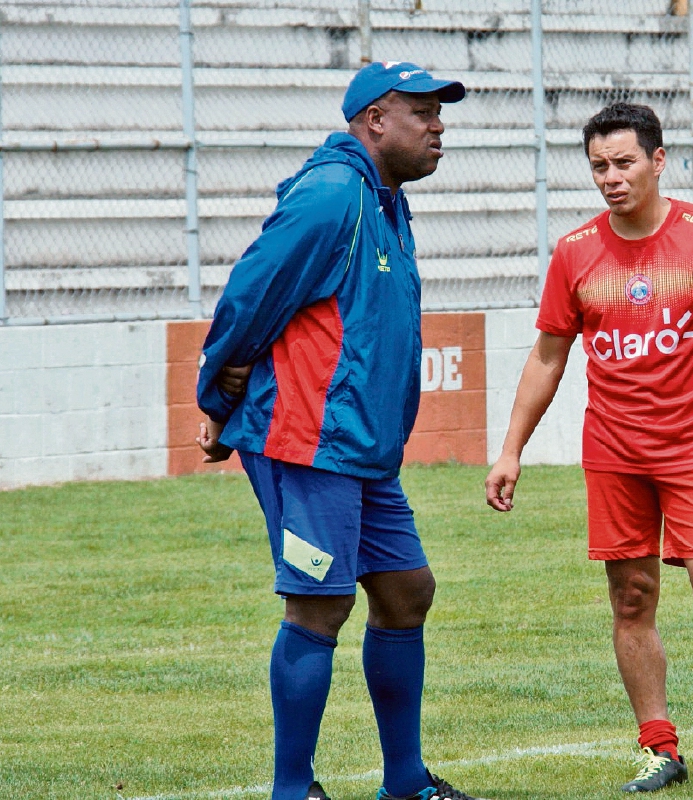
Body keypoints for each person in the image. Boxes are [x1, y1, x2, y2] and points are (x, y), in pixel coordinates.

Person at [194, 61, 481, 800]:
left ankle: (405, 782)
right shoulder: (330, 196)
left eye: (439, 113)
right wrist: (218, 398)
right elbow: (248, 298)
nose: (438, 126)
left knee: (407, 590)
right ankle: (293, 789)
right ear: (376, 120)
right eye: (423, 113)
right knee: (320, 602)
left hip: (361, 450)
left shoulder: (385, 201)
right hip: (309, 440)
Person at [484, 102, 693, 798]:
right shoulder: (574, 252)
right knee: (632, 599)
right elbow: (547, 358)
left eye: (624, 163)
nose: (611, 178)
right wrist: (510, 450)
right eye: (599, 166)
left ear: (657, 161)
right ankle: (660, 748)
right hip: (615, 456)